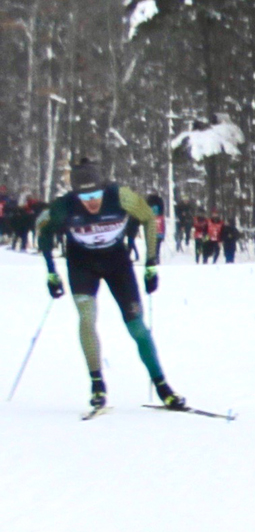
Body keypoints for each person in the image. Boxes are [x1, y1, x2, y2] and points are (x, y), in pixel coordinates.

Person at [34, 159, 186, 412]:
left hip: (117, 263)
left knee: (137, 326)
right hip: (82, 264)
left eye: (96, 193)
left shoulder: (121, 197)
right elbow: (43, 229)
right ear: (75, 194)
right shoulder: (64, 207)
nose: (92, 201)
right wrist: (51, 272)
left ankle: (163, 386)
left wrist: (150, 264)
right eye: (85, 195)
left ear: (104, 188)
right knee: (86, 318)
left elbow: (149, 218)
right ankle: (97, 385)